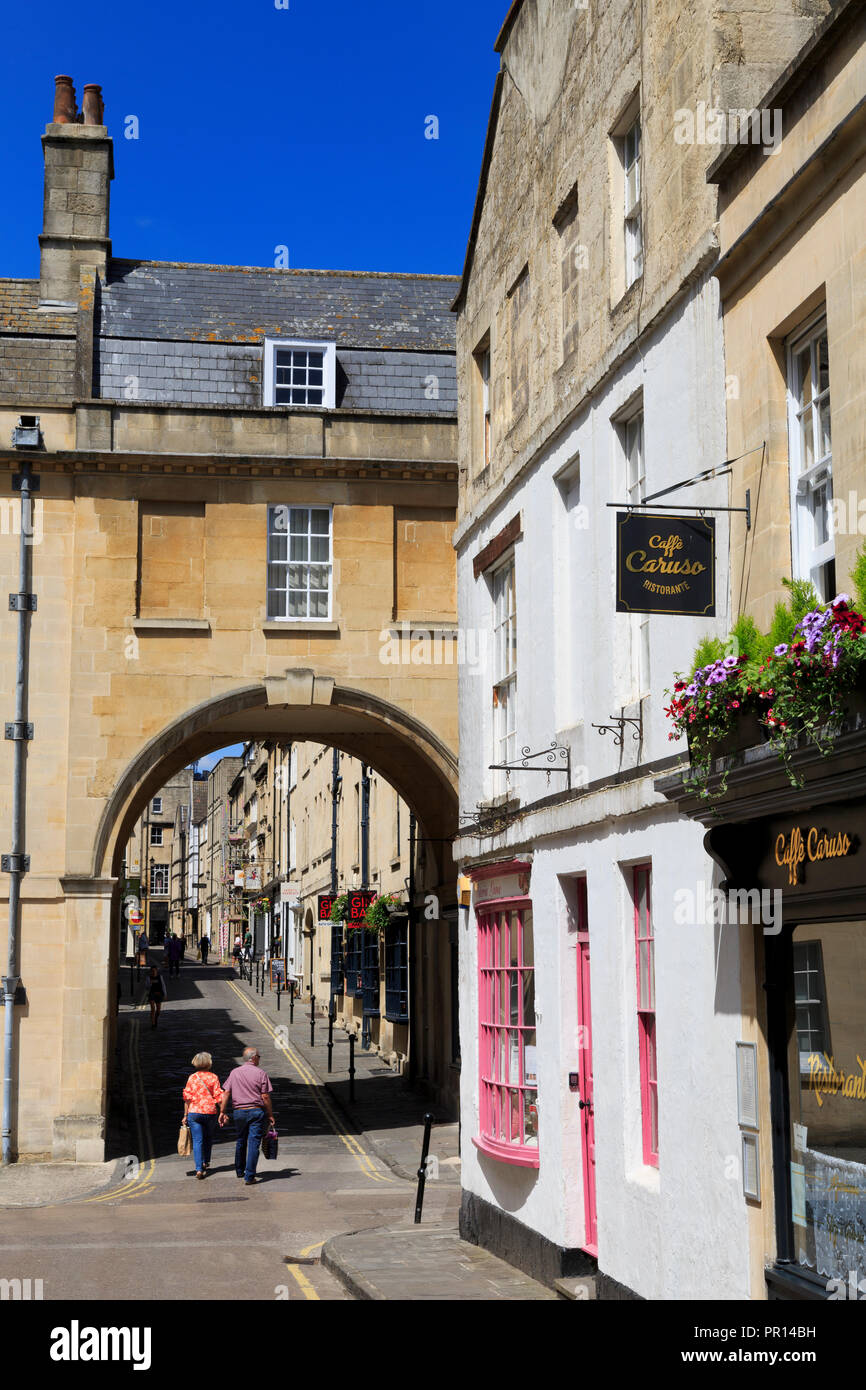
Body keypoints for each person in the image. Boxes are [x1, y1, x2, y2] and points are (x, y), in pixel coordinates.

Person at [218, 1046, 275, 1185]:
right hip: (256, 1111)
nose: (259, 1059)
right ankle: (249, 1176)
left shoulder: (234, 1072)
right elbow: (265, 1096)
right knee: (254, 1143)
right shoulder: (261, 1073)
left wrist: (222, 1111)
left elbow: (226, 1093)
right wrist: (270, 1114)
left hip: (239, 1112)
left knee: (241, 1140)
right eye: (259, 1056)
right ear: (253, 1057)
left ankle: (239, 1170)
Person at [181, 1051, 224, 1179]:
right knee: (208, 1138)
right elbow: (219, 1096)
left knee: (197, 1141)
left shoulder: (192, 1077)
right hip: (210, 1112)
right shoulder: (213, 1077)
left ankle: (199, 1169)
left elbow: (187, 1098)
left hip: (194, 1112)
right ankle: (206, 1161)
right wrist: (222, 1111)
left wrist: (185, 1115)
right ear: (208, 1063)